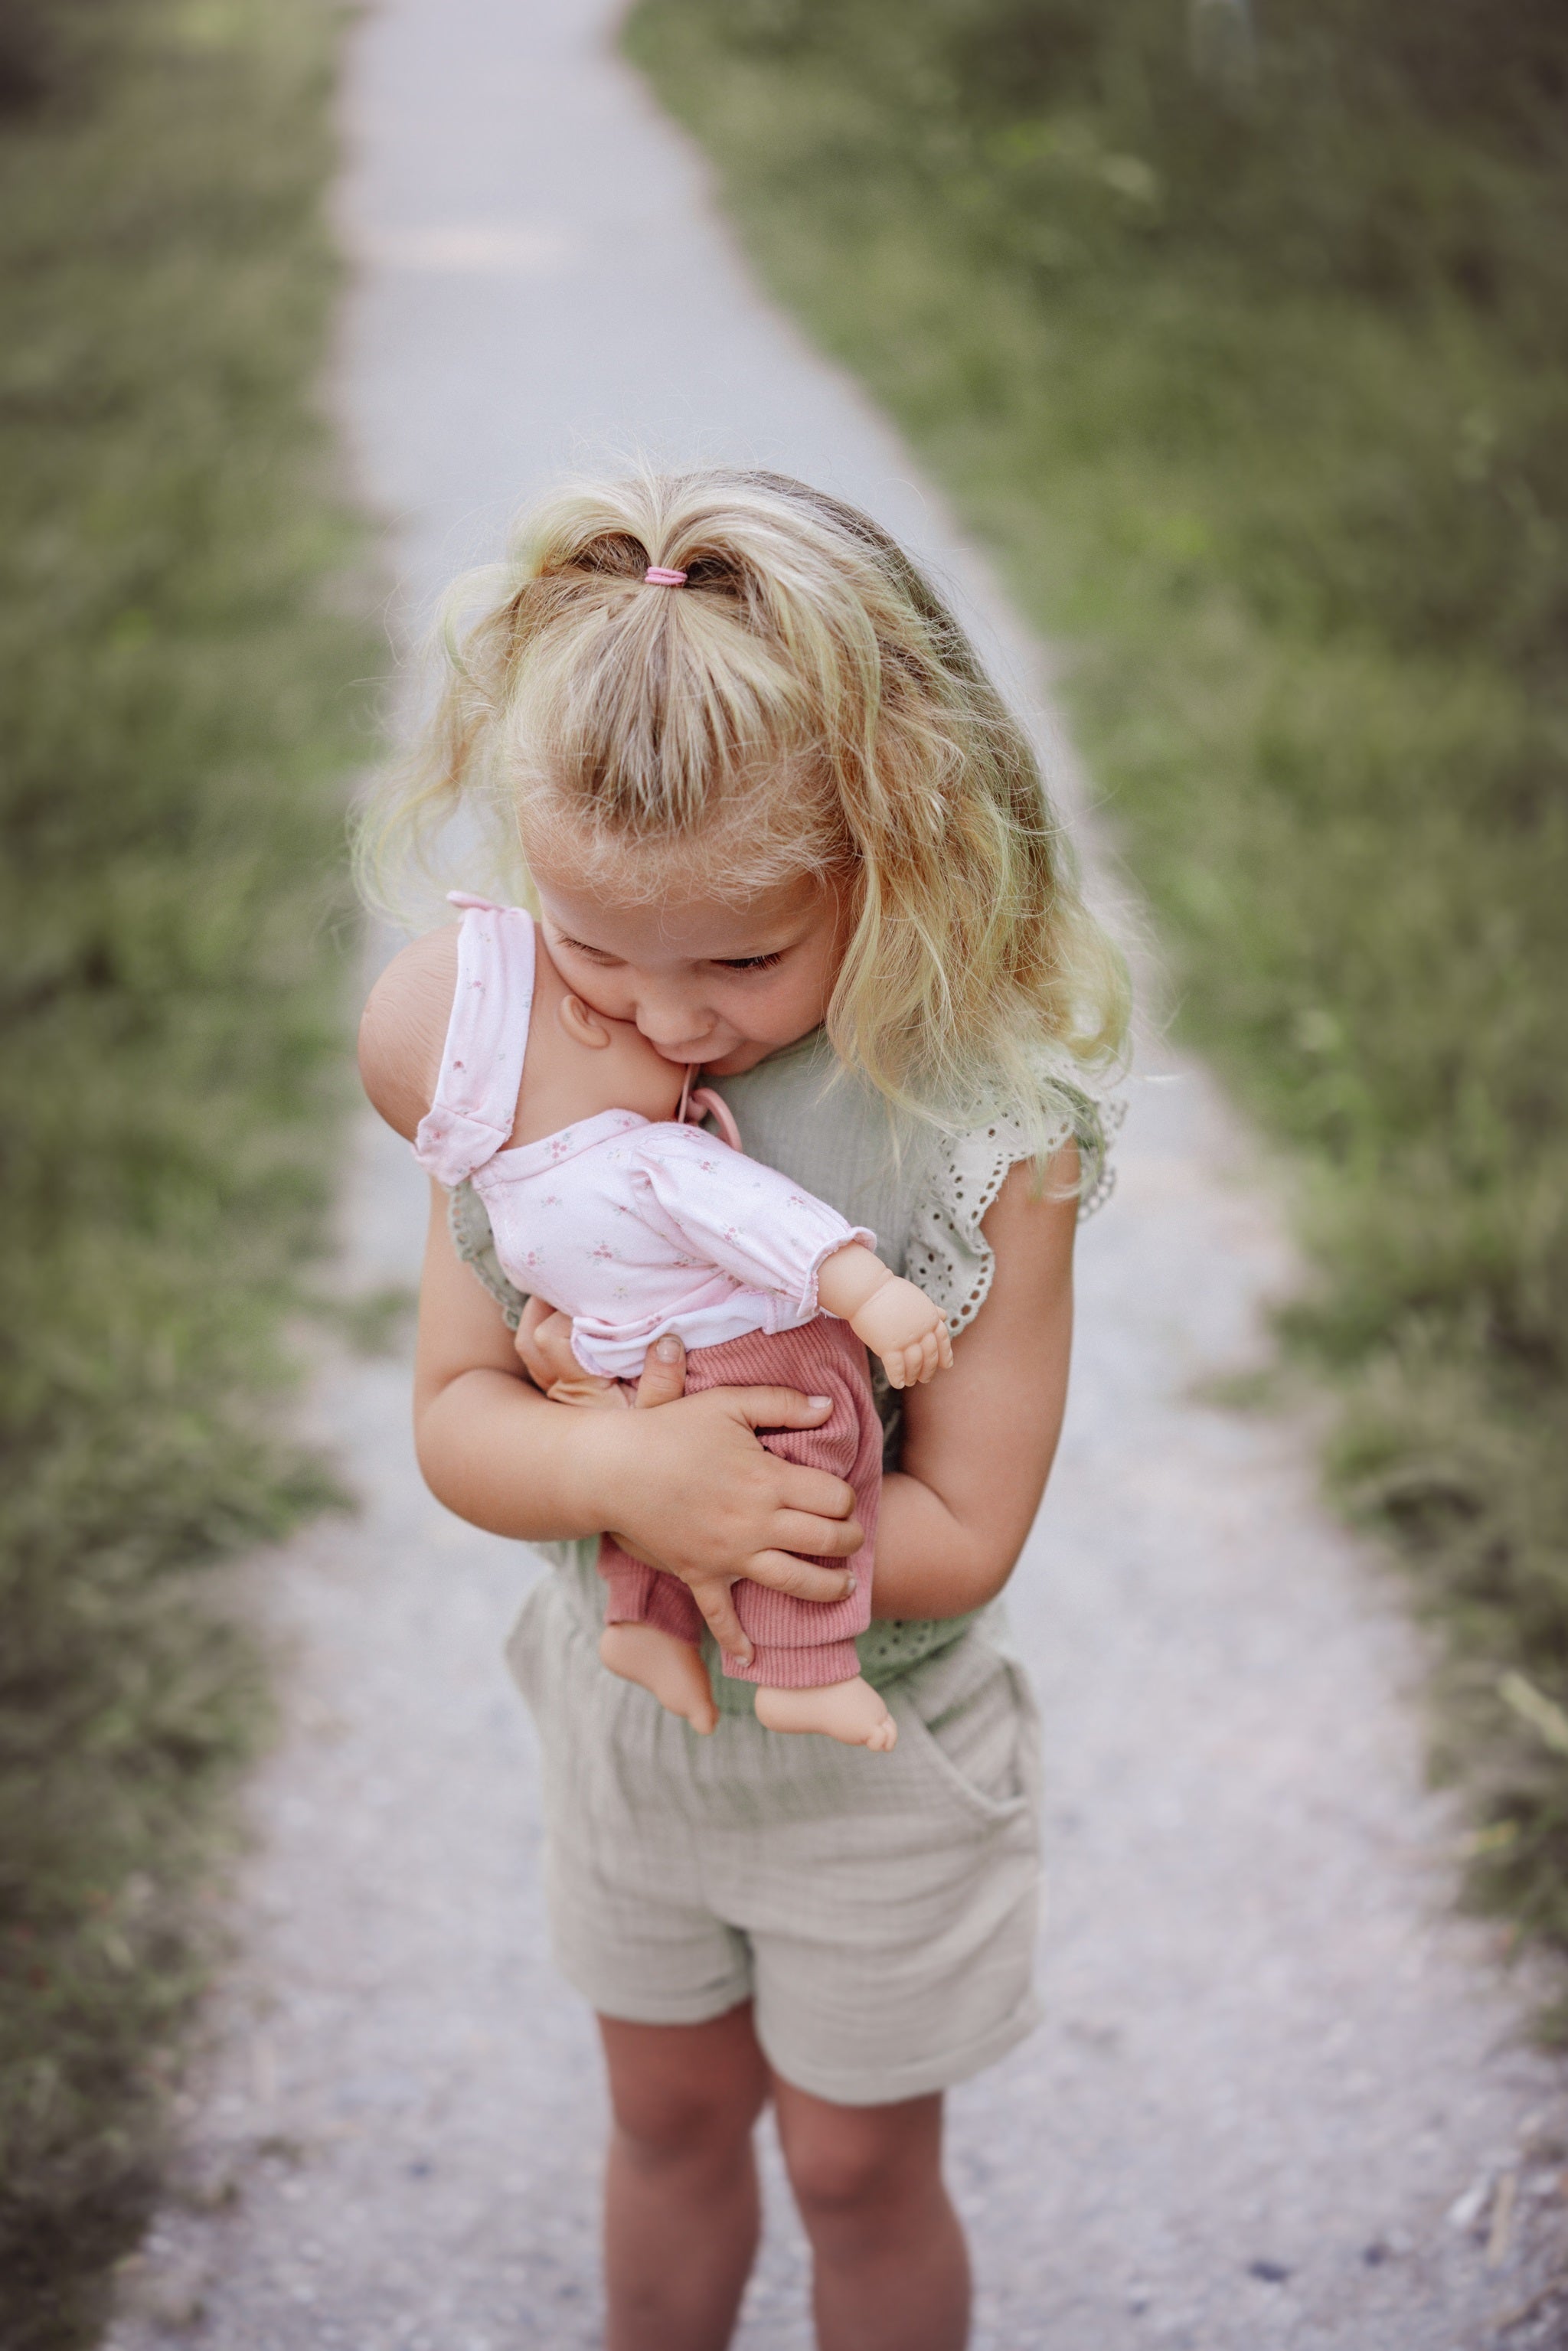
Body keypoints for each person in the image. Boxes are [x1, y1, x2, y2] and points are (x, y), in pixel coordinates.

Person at [355, 466, 1128, 2351]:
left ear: (904, 845)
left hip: (882, 1757)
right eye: (600, 942)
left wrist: (737, 1520)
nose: (663, 1018)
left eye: (739, 959)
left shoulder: (981, 1135)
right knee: (667, 2115)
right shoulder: (519, 1060)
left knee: (858, 2166)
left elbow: (968, 1527)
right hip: (633, 1746)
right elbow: (459, 1408)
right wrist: (616, 1468)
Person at [377, 885, 953, 1745]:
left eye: (742, 958)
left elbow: (551, 1326)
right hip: (751, 1355)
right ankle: (804, 1672)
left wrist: (617, 1440)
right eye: (599, 964)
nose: (671, 1032)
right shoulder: (650, 1153)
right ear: (579, 1019)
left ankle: (640, 1623)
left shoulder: (512, 1206)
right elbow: (761, 1219)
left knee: (650, 1439)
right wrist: (867, 1291)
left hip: (641, 1374)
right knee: (819, 1445)